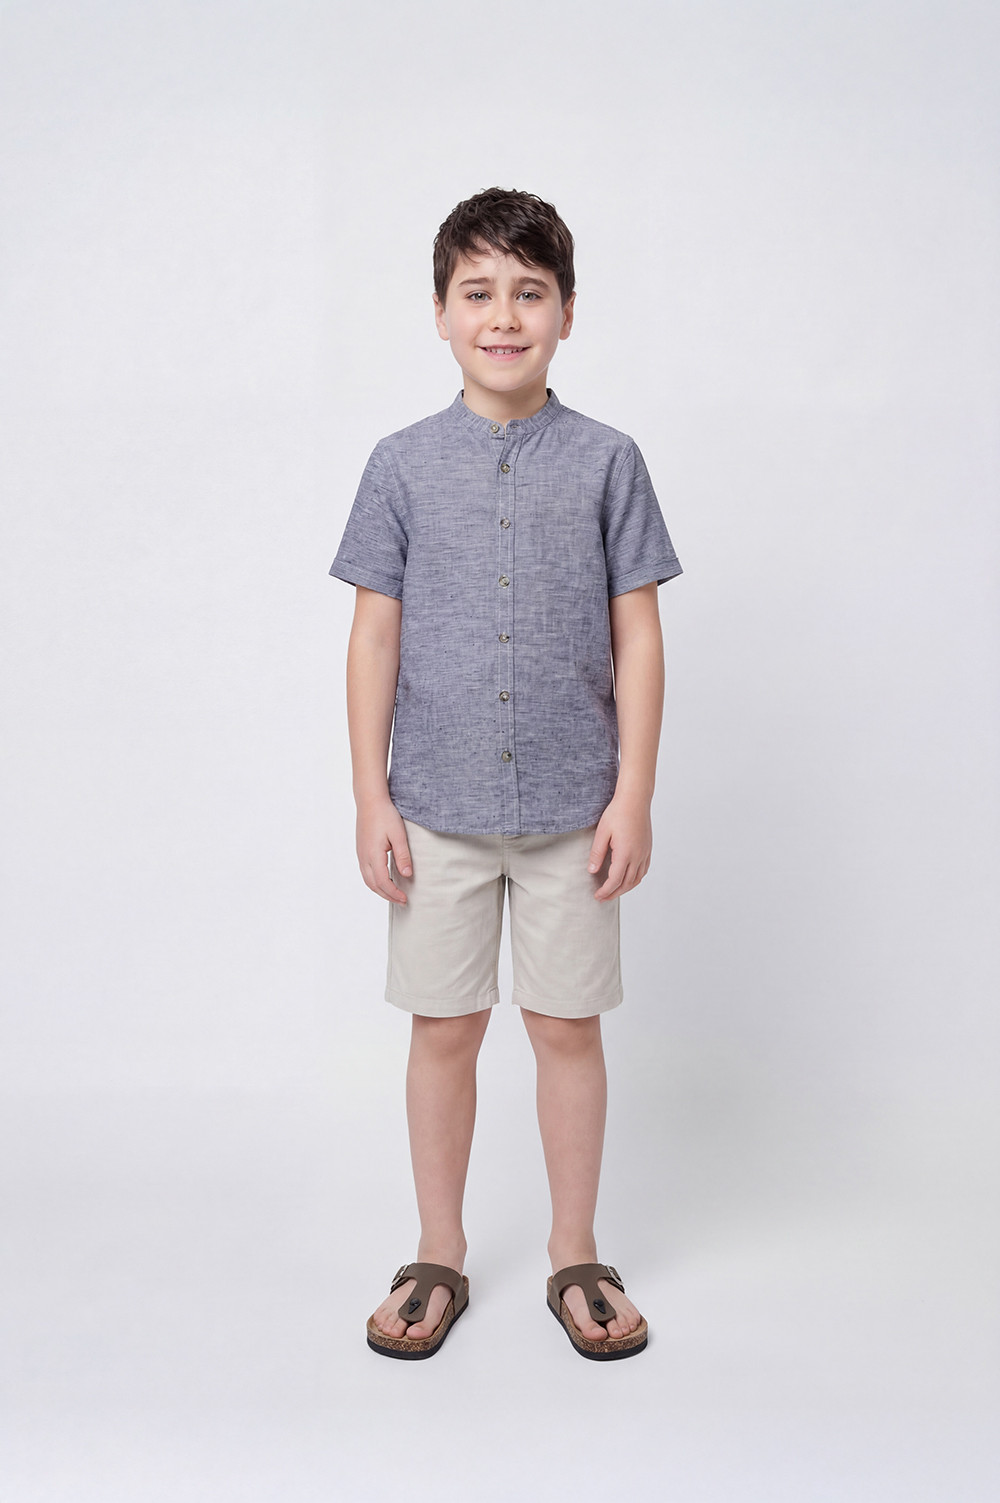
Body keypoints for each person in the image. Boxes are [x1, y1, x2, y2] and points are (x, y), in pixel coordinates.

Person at [329, 187, 682, 1361]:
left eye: (530, 293)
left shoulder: (609, 461)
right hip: (433, 809)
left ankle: (575, 1251)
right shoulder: (398, 466)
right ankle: (437, 1250)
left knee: (566, 1028)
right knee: (443, 1029)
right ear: (439, 312)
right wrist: (371, 795)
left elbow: (638, 635)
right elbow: (373, 637)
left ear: (567, 313)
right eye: (477, 292)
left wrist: (631, 793)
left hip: (575, 813)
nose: (503, 315)